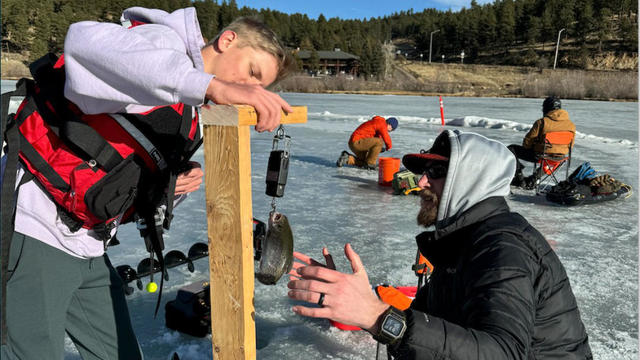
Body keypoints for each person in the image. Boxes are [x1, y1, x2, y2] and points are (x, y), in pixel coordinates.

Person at [1, 7, 293, 359]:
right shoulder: (161, 43)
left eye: (259, 86)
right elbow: (83, 42)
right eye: (251, 72)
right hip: (36, 224)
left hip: (88, 244)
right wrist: (214, 86)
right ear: (227, 40)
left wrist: (173, 183)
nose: (250, 88)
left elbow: (124, 168)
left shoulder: (190, 107)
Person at [288, 130, 592, 359]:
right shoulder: (462, 243)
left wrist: (377, 316)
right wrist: (357, 302)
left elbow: (502, 351)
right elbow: (421, 329)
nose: (420, 183)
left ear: (472, 180)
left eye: (435, 172)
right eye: (424, 172)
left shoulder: (503, 248)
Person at [509, 96, 575, 189]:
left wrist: (531, 147)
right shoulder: (571, 125)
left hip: (540, 155)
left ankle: (519, 178)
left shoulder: (542, 122)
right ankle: (534, 179)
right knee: (551, 159)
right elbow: (571, 145)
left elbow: (528, 140)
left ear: (546, 108)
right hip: (560, 157)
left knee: (511, 149)